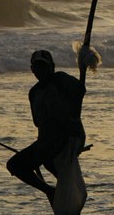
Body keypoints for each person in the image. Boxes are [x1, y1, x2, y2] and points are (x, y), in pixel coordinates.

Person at [7, 49, 86, 197]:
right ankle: (51, 192)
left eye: (44, 66)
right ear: (32, 69)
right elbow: (37, 122)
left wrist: (83, 65)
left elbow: (80, 90)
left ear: (53, 66)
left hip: (68, 137)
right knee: (15, 165)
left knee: (48, 159)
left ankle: (68, 188)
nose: (41, 70)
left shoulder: (61, 79)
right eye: (37, 67)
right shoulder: (34, 93)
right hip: (47, 142)